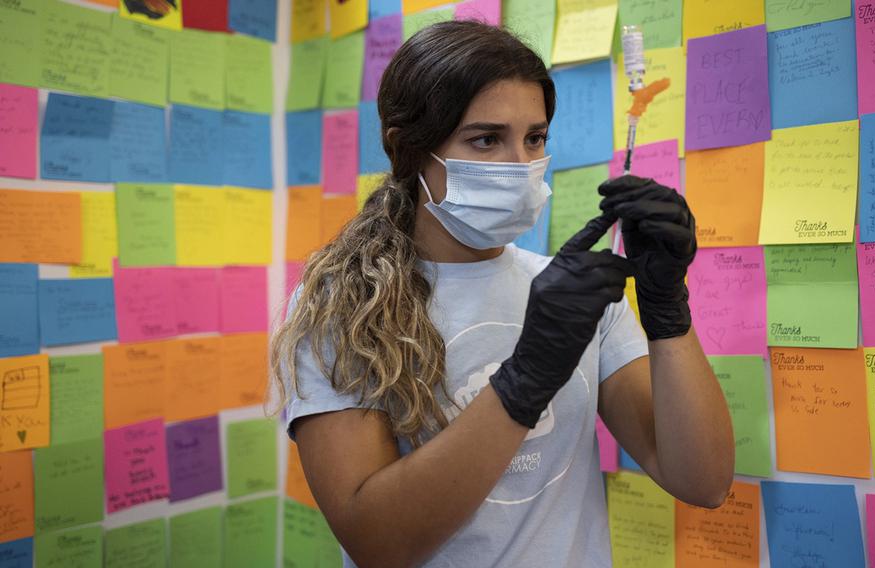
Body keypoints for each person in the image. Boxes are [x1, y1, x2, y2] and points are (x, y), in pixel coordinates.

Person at [270, 20, 734, 568]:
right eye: (486, 139)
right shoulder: (343, 305)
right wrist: (525, 379)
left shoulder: (574, 296)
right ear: (409, 149)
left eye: (534, 137)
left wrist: (667, 309)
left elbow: (702, 480)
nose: (520, 166)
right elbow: (377, 544)